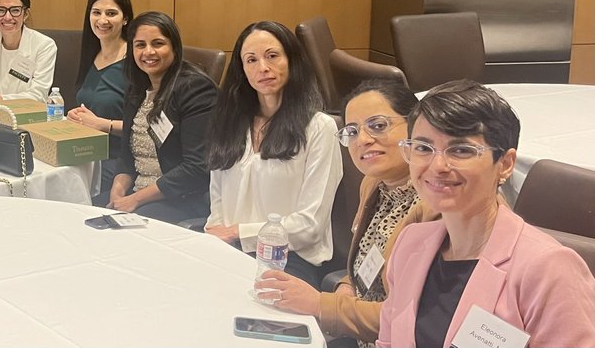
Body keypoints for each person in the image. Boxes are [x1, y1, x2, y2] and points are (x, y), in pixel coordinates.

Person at [377, 80, 595, 348]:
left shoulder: (547, 269)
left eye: (461, 150)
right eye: (423, 148)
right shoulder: (410, 243)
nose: (437, 166)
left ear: (505, 164)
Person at [253, 80, 437, 348]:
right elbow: (362, 268)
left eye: (378, 125)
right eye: (352, 131)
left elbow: (413, 318)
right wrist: (345, 289)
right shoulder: (374, 184)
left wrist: (320, 304)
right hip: (358, 332)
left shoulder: (435, 206)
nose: (362, 140)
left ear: (415, 127)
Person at [205, 20, 342, 287]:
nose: (263, 68)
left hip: (287, 258)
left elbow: (310, 225)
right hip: (229, 251)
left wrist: (237, 233)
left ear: (291, 60)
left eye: (272, 56)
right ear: (242, 70)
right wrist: (218, 237)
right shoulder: (230, 123)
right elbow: (218, 200)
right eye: (251, 60)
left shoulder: (318, 127)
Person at [91, 12, 218, 224]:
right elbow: (126, 154)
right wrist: (118, 191)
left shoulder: (195, 89)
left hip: (180, 197)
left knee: (118, 232)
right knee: (83, 212)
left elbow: (196, 168)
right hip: (137, 192)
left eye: (158, 43)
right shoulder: (137, 89)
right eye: (140, 45)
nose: (148, 52)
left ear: (174, 48)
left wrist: (135, 200)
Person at [66, 0, 134, 192]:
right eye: (96, 12)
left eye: (111, 13)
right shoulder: (91, 53)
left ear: (125, 18)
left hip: (120, 161)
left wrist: (101, 124)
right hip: (87, 152)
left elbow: (147, 125)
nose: (102, 20)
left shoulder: (135, 59)